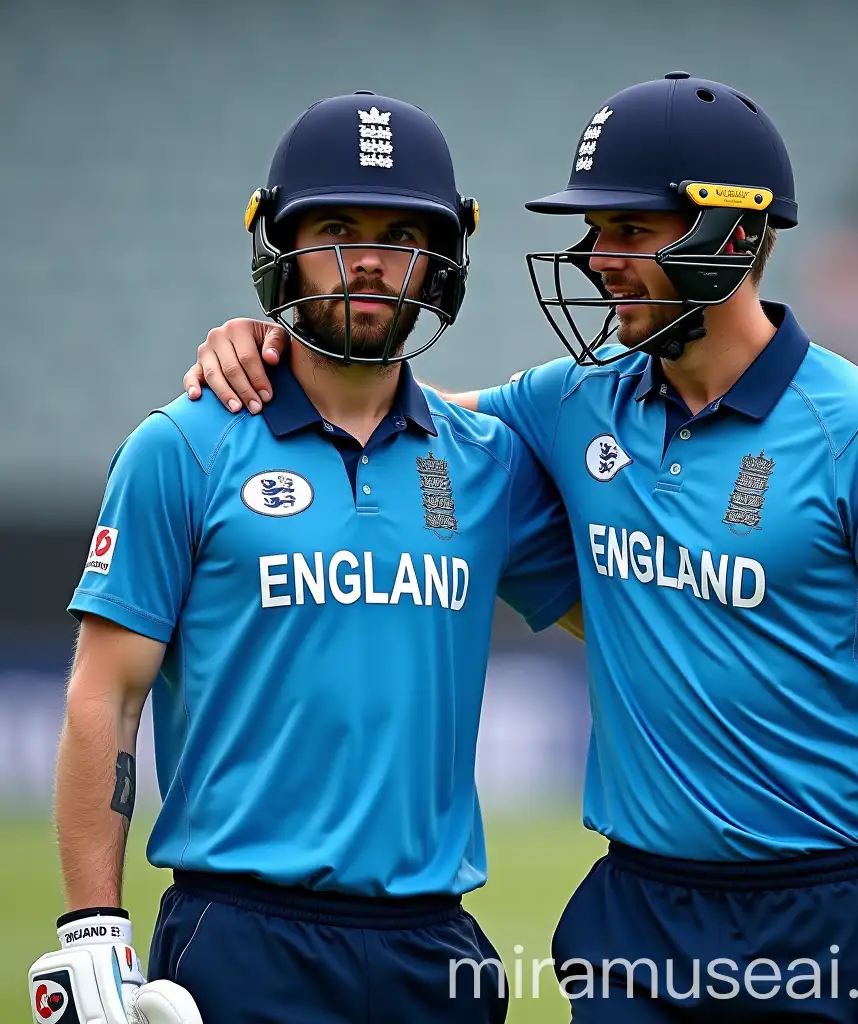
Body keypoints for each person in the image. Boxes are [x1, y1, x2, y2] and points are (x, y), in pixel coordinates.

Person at [183, 74, 858, 1023]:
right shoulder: (571, 402)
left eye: (627, 233)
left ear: (730, 236)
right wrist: (273, 340)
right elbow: (397, 414)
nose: (596, 260)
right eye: (593, 233)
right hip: (638, 915)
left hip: (831, 909)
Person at [30, 92, 583, 1024]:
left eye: (402, 234)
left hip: (434, 949)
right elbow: (106, 693)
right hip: (240, 940)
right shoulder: (185, 447)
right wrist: (93, 925)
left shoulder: (484, 464)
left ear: (441, 264)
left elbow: (630, 613)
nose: (368, 260)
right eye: (335, 228)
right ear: (278, 246)